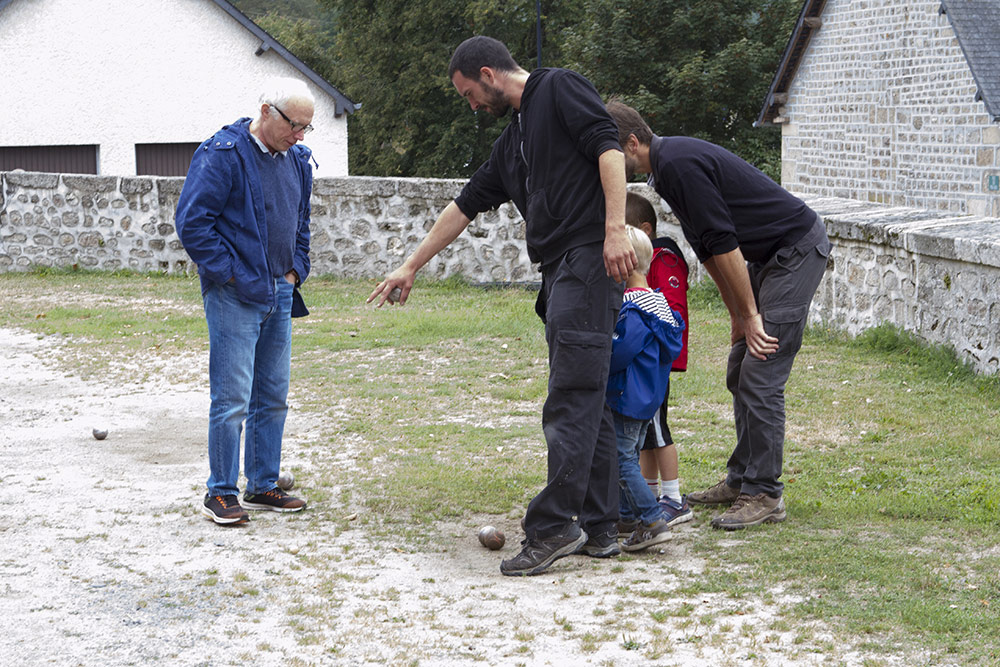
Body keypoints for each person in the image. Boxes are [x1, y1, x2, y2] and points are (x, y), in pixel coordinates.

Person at [368, 36, 637, 575]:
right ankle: (602, 525)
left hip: (588, 260)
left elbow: (609, 148)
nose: (471, 105)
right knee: (587, 398)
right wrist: (411, 264)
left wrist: (614, 230)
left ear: (488, 73)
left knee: (571, 396)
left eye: (469, 93)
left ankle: (555, 525)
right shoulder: (512, 141)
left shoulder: (558, 87)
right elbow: (464, 205)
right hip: (561, 269)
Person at [606, 101, 831, 530]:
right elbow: (707, 247)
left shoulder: (678, 163)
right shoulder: (666, 171)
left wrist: (750, 314)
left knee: (761, 370)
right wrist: (736, 313)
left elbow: (726, 241)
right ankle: (742, 478)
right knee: (738, 366)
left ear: (632, 143)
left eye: (611, 154)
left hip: (795, 251)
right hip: (767, 259)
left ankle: (764, 493)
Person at [176, 77, 315, 525]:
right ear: (266, 111)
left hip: (280, 289)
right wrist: (231, 275)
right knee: (232, 397)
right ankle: (220, 493)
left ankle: (262, 484)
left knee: (272, 395)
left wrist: (295, 270)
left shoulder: (297, 161)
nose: (299, 136)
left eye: (306, 129)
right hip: (235, 294)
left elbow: (301, 221)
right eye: (295, 125)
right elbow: (193, 223)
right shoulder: (222, 154)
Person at [607, 225, 685, 551]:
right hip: (648, 397)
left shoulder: (633, 311)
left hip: (628, 397)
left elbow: (620, 353)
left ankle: (653, 519)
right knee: (632, 453)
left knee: (622, 459)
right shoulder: (659, 306)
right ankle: (628, 513)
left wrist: (602, 353)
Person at [624, 192, 693, 528]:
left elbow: (672, 314)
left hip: (653, 366)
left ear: (644, 230)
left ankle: (674, 499)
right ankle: (651, 494)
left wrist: (668, 359)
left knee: (658, 432)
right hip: (647, 365)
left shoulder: (664, 262)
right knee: (647, 436)